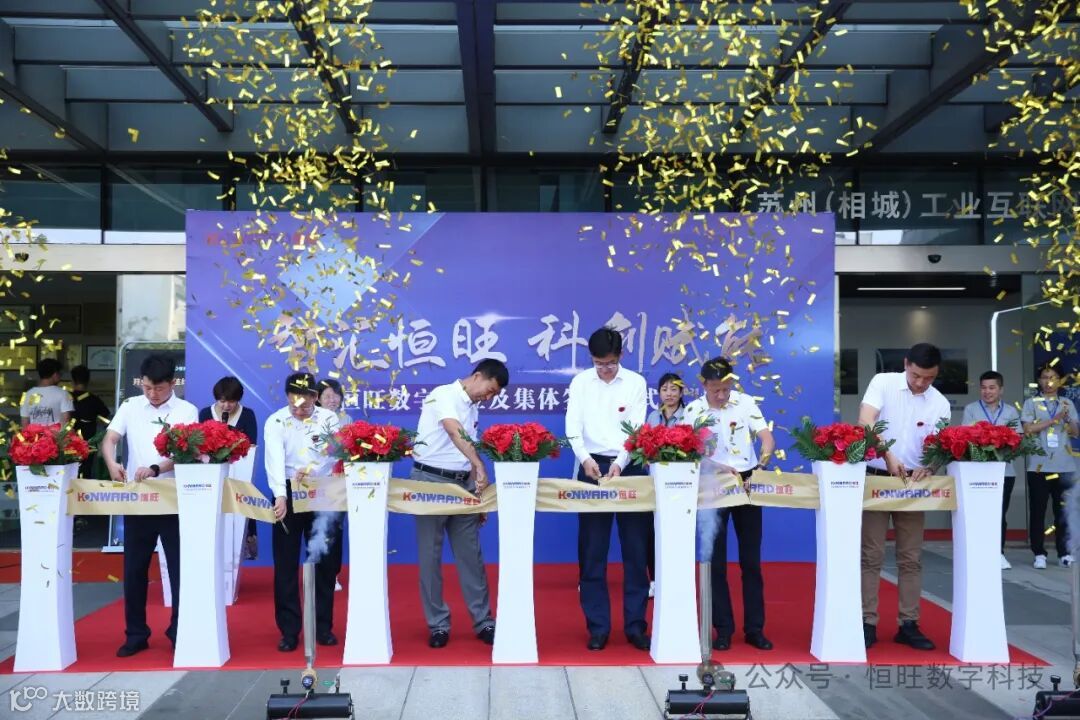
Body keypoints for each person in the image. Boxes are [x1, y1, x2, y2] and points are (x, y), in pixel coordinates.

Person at [100, 354, 198, 657]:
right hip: (138, 500)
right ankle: (136, 634)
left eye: (159, 388)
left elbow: (186, 453)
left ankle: (180, 631)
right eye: (147, 388)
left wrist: (156, 468)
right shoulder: (130, 406)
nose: (152, 393)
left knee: (180, 570)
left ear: (173, 383)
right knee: (134, 570)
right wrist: (111, 463)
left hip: (173, 500)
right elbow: (110, 439)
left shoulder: (186, 410)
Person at [859, 343, 951, 651]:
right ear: (906, 364)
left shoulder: (940, 403)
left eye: (929, 378)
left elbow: (940, 446)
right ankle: (866, 622)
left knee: (911, 558)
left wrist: (931, 466)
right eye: (916, 376)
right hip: (877, 478)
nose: (921, 383)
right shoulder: (883, 382)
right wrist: (886, 455)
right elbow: (865, 421)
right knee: (871, 555)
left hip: (913, 485)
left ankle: (908, 624)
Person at [412, 359, 508, 649]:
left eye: (494, 395)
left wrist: (478, 492)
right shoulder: (444, 394)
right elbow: (454, 431)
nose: (488, 398)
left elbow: (468, 446)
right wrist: (479, 465)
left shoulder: (473, 406)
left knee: (471, 555)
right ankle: (438, 624)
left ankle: (484, 621)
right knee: (430, 556)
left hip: (463, 484)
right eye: (489, 390)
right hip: (430, 482)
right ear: (477, 376)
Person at [565, 327, 651, 651]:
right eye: (599, 363)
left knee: (636, 550)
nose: (605, 369)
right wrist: (585, 459)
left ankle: (635, 626)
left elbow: (637, 429)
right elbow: (573, 427)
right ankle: (598, 627)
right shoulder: (580, 382)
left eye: (610, 363)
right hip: (591, 467)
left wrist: (620, 462)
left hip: (629, 467)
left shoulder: (635, 383)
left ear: (621, 357)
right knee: (592, 551)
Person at [683, 357, 775, 651]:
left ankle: (755, 629)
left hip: (746, 481)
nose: (722, 395)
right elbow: (686, 452)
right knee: (716, 563)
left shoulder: (745, 403)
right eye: (715, 390)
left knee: (751, 561)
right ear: (703, 385)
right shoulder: (693, 411)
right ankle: (722, 629)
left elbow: (766, 438)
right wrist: (715, 465)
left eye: (726, 388)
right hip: (714, 483)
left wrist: (762, 462)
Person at [265, 372, 344, 652]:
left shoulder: (328, 419)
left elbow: (333, 455)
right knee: (285, 564)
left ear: (315, 397)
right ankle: (289, 630)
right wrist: (280, 496)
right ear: (287, 397)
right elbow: (274, 461)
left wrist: (311, 470)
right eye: (294, 404)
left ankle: (323, 626)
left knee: (325, 561)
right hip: (287, 490)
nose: (299, 410)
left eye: (305, 405)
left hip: (321, 488)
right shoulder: (276, 421)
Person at [962, 370, 1021, 570]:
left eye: (992, 388)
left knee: (999, 514)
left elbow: (1017, 439)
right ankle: (978, 553)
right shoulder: (971, 409)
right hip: (977, 472)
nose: (987, 392)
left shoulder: (1011, 412)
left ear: (1001, 390)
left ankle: (998, 553)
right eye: (984, 388)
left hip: (1005, 472)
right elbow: (967, 438)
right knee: (979, 515)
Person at [1022, 362, 1079, 569]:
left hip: (1064, 466)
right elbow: (1028, 429)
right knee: (1038, 511)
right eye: (1045, 377)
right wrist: (1054, 419)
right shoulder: (1031, 403)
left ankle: (1064, 552)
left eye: (1053, 377)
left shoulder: (1067, 403)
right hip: (1038, 466)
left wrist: (1068, 419)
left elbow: (1075, 432)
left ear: (1060, 380)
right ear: (1039, 381)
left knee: (1062, 511)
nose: (1048, 382)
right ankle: (1039, 553)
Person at [199, 376, 259, 559]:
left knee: (238, 524)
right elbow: (200, 444)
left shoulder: (247, 415)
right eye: (222, 401)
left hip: (238, 476)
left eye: (231, 401)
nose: (226, 406)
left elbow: (250, 445)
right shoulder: (205, 413)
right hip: (211, 477)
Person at [642, 371, 686, 595]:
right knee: (653, 533)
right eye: (664, 389)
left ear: (681, 392)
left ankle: (677, 578)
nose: (669, 394)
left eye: (674, 389)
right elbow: (644, 446)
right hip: (655, 483)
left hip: (680, 484)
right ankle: (654, 580)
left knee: (677, 533)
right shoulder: (652, 417)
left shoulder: (689, 416)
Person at [316, 378, 350, 592]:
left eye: (336, 396)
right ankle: (316, 572)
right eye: (327, 396)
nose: (332, 400)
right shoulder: (310, 420)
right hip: (315, 481)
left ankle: (333, 574)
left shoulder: (346, 419)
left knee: (335, 528)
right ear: (317, 398)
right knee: (316, 528)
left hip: (339, 481)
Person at [70, 364, 111, 479]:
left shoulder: (67, 397)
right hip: (89, 440)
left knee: (69, 468)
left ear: (72, 380)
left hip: (70, 439)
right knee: (86, 468)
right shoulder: (93, 399)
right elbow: (106, 415)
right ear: (88, 381)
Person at [20, 357, 73, 427]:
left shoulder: (27, 394)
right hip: (55, 434)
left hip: (34, 434)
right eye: (60, 374)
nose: (60, 377)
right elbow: (65, 421)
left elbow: (24, 422)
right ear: (55, 374)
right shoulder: (64, 394)